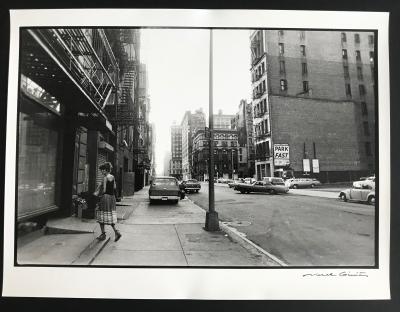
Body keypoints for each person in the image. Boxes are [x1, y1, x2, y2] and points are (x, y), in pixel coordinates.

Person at [93, 162, 122, 242]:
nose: (101, 172)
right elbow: (115, 187)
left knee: (101, 215)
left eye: (102, 170)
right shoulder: (112, 177)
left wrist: (99, 194)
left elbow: (104, 190)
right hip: (112, 198)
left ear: (105, 170)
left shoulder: (105, 178)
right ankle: (116, 232)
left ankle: (103, 234)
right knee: (109, 216)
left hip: (105, 198)